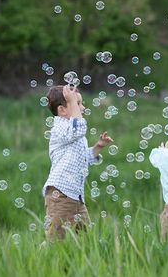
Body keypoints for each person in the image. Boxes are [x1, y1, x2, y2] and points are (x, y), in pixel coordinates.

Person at [42, 85, 113, 240]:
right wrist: (72, 102)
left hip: (75, 197)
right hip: (60, 195)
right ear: (62, 110)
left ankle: (80, 260)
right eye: (77, 103)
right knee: (55, 240)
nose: (83, 107)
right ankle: (44, 261)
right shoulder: (60, 128)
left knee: (85, 238)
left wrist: (98, 147)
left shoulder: (72, 132)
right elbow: (79, 129)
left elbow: (82, 157)